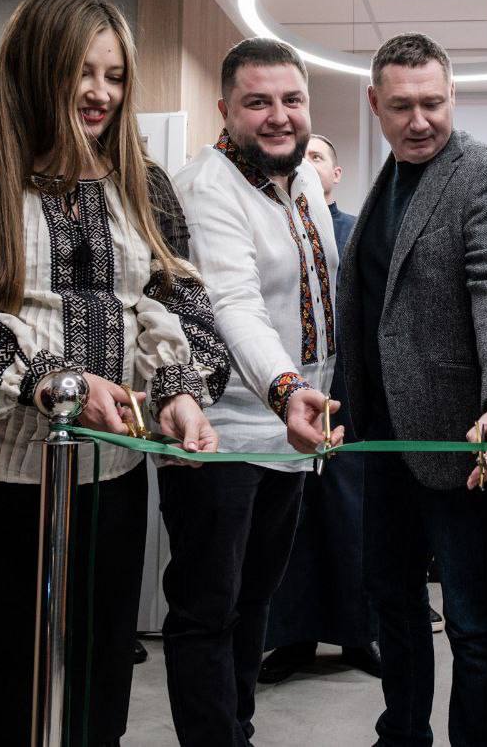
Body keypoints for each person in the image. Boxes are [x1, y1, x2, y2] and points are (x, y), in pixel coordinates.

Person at [0, 0, 226, 747]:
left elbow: (178, 298)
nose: (100, 93)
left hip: (105, 487)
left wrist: (179, 389)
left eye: (115, 76)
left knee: (88, 693)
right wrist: (52, 381)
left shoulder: (143, 182)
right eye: (80, 72)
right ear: (35, 68)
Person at [303, 31, 487, 747]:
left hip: (462, 438)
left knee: (471, 617)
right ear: (374, 103)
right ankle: (401, 734)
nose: (419, 120)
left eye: (433, 103)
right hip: (381, 440)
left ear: (452, 96)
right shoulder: (385, 183)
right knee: (392, 601)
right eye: (402, 106)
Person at [167, 37, 341, 746]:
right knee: (208, 607)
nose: (279, 116)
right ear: (225, 109)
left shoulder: (300, 179)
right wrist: (288, 388)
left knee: (256, 599)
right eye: (258, 102)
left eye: (292, 100)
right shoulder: (207, 187)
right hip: (221, 433)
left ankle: (236, 727)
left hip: (289, 434)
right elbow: (232, 304)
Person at [259, 132, 381, 684]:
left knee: (350, 516)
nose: (307, 164)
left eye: (319, 157)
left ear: (335, 174)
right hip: (282, 390)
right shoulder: (274, 228)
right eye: (302, 156)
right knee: (293, 517)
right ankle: (292, 639)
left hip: (348, 394)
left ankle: (359, 635)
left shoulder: (358, 233)